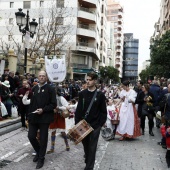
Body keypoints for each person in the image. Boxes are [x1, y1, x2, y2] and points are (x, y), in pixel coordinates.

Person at [75, 72, 107, 170]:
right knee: (85, 145)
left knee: (92, 147)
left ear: (95, 81)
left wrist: (99, 124)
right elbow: (79, 109)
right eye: (87, 80)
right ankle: (88, 159)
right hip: (83, 124)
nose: (88, 82)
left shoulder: (100, 95)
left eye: (90, 80)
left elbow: (103, 111)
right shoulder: (82, 94)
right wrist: (76, 124)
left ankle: (89, 167)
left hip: (95, 125)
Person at [27, 71, 56, 169]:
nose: (41, 77)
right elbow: (30, 103)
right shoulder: (34, 88)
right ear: (38, 77)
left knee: (43, 139)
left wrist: (43, 110)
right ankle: (39, 152)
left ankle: (41, 158)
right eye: (40, 76)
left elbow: (53, 104)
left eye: (43, 76)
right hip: (34, 117)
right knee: (31, 136)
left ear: (46, 77)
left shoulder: (51, 89)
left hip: (45, 118)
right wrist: (29, 116)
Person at [47, 87, 70, 154]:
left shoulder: (61, 98)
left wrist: (58, 107)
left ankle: (67, 145)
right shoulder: (49, 98)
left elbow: (67, 106)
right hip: (52, 116)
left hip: (60, 116)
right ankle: (52, 148)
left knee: (62, 132)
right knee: (53, 131)